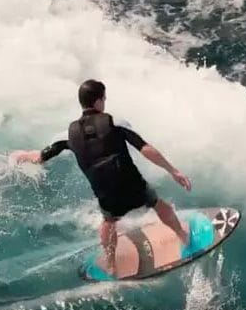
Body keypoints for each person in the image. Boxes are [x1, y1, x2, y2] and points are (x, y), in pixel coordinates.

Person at [10, 79, 192, 278]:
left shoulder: (67, 136)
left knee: (108, 221)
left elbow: (40, 157)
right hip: (132, 185)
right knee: (159, 205)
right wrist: (173, 171)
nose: (105, 102)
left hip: (106, 193)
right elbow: (145, 148)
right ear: (97, 102)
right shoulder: (114, 122)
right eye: (103, 98)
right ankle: (183, 237)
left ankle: (112, 264)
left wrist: (22, 156)